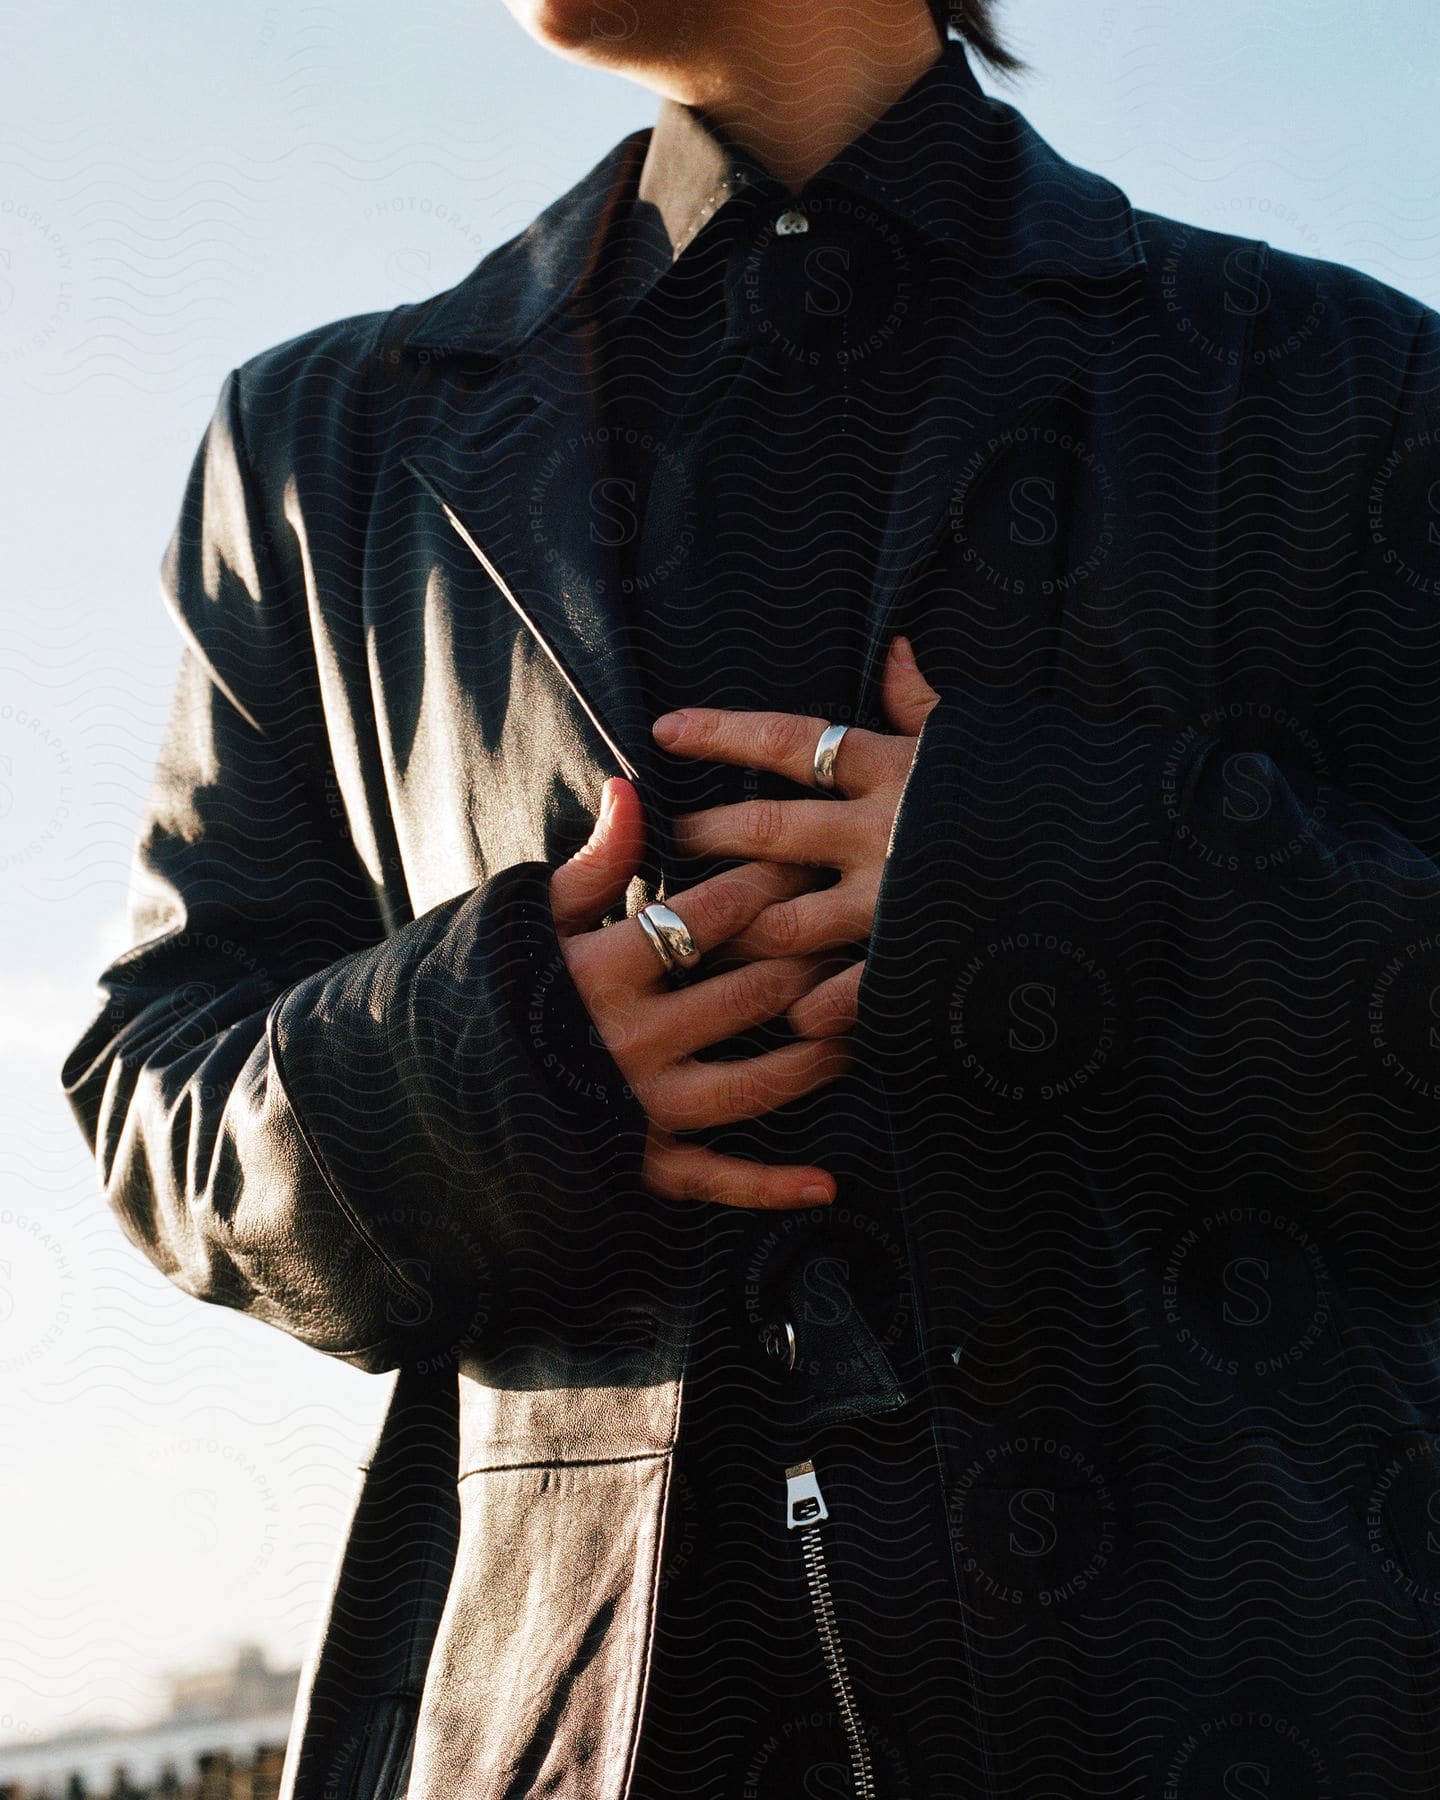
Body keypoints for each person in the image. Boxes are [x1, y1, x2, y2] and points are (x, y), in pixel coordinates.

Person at [59, 1, 1440, 1796]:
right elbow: (152, 1086)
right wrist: (492, 1069)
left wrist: (1066, 882)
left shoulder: (1336, 375)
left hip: (1252, 1684)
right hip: (567, 1711)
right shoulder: (321, 445)